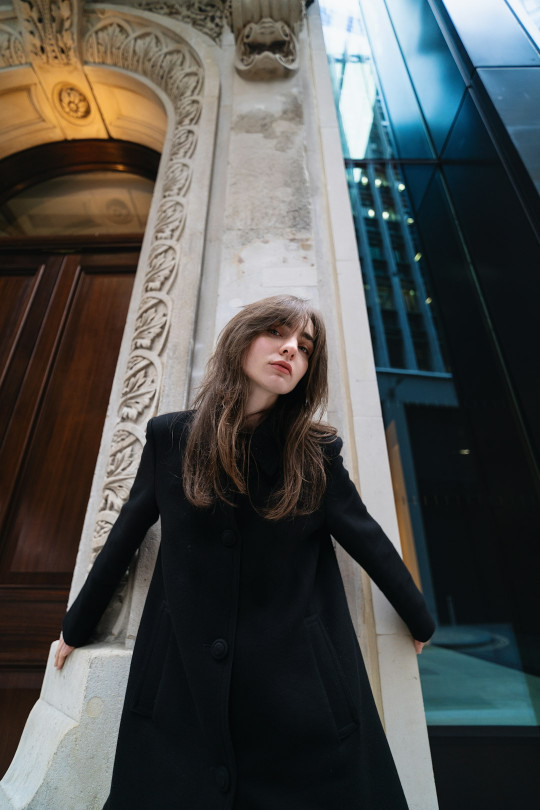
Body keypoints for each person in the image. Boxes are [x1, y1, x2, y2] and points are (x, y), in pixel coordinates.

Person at [55, 294, 434, 810]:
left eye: (304, 347)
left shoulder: (315, 453)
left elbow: (365, 537)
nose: (290, 351)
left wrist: (419, 619)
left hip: (295, 692)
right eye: (276, 333)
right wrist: (76, 628)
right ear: (241, 340)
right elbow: (127, 532)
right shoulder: (172, 436)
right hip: (181, 687)